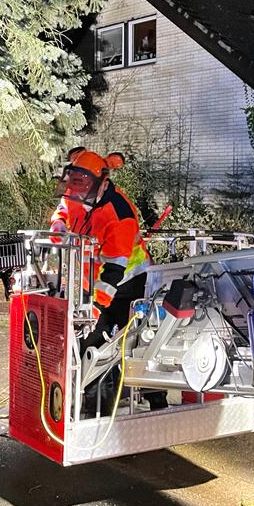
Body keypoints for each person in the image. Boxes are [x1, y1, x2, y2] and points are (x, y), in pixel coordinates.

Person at [50, 147, 167, 412]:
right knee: (91, 346)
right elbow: (63, 210)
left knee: (139, 344)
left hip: (130, 284)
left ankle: (157, 402)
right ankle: (94, 409)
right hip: (95, 285)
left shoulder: (119, 214)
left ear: (101, 184)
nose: (77, 196)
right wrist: (58, 225)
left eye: (81, 190)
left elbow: (114, 269)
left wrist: (95, 308)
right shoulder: (78, 193)